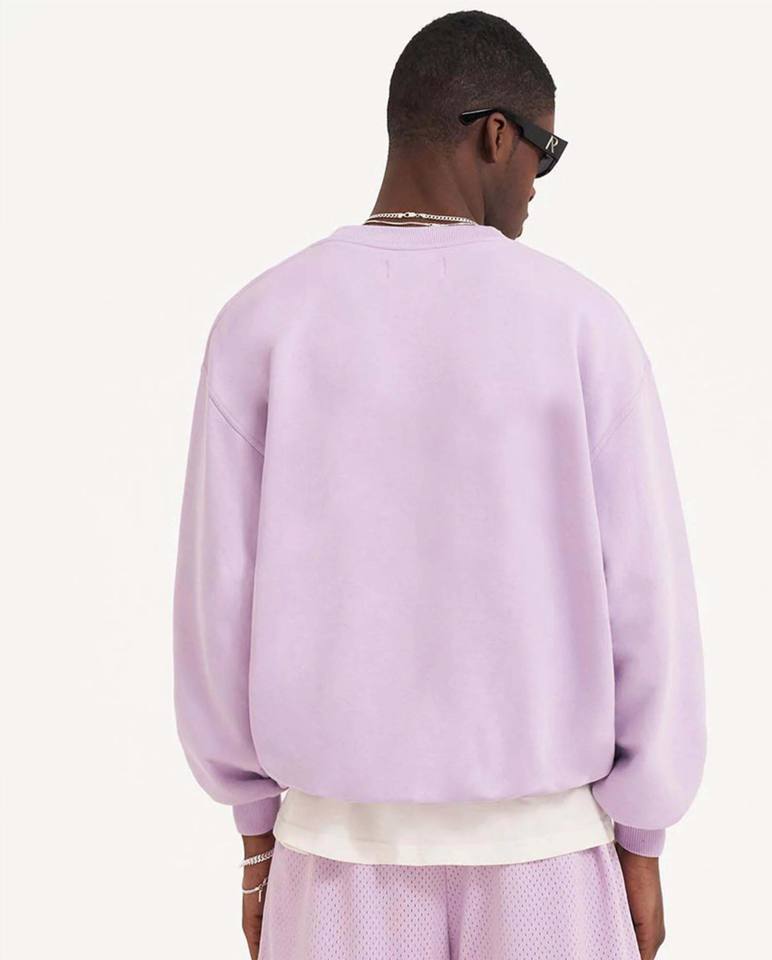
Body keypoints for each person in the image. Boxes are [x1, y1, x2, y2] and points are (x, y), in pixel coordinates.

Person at [172, 10, 707, 960]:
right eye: (544, 152)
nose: (537, 184)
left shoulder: (263, 324)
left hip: (334, 859)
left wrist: (255, 839)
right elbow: (646, 597)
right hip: (546, 858)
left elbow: (219, 602)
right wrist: (644, 836)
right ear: (496, 134)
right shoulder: (581, 324)